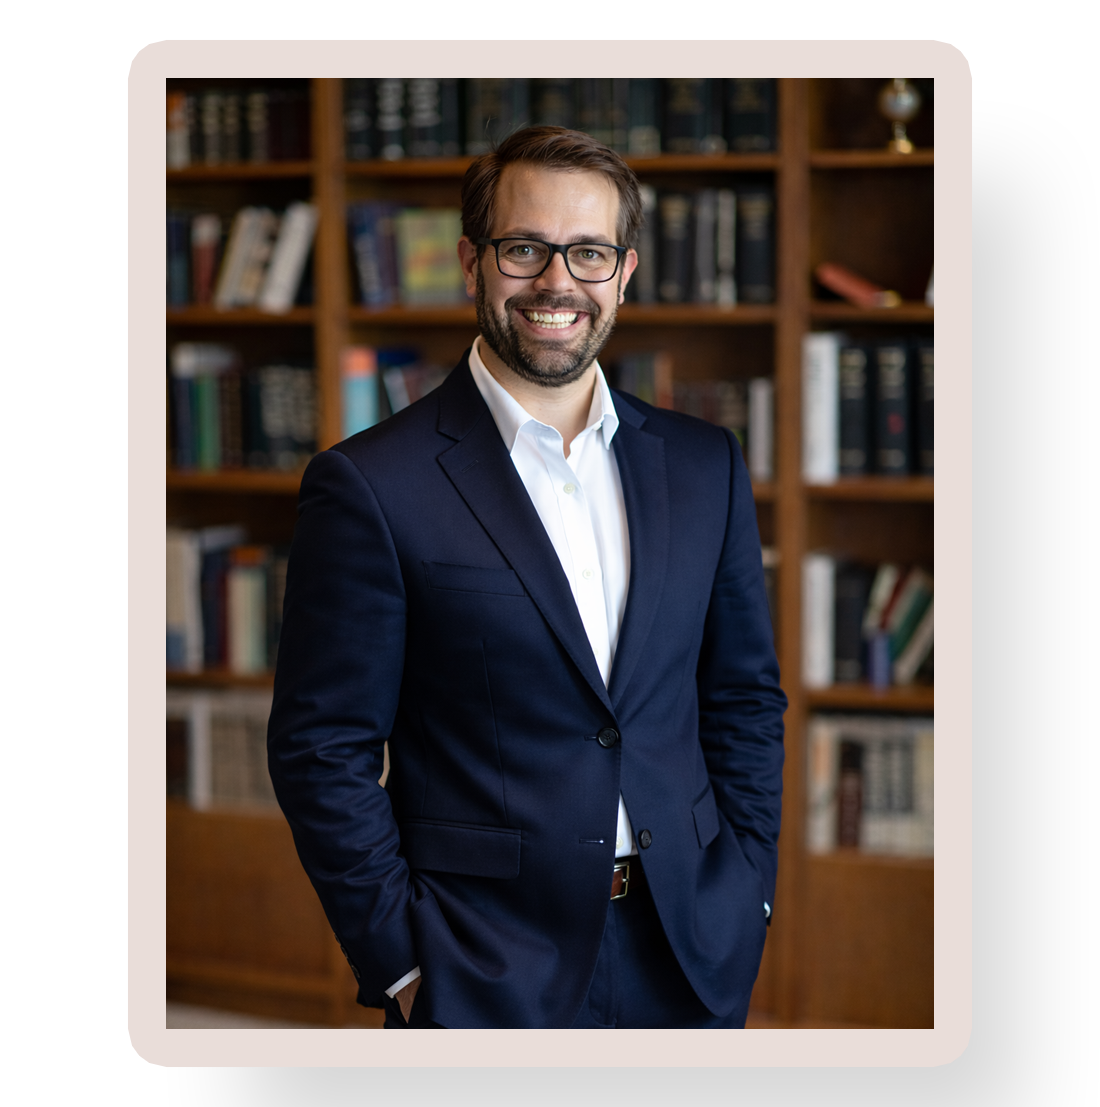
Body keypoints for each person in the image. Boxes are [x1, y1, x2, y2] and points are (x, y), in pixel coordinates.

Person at [267, 126, 786, 1029]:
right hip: (481, 966)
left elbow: (743, 698)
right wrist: (402, 963)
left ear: (624, 273)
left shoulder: (707, 464)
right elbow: (321, 748)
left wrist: (751, 892)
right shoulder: (370, 484)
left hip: (692, 947)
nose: (557, 281)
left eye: (588, 253)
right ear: (472, 261)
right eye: (524, 249)